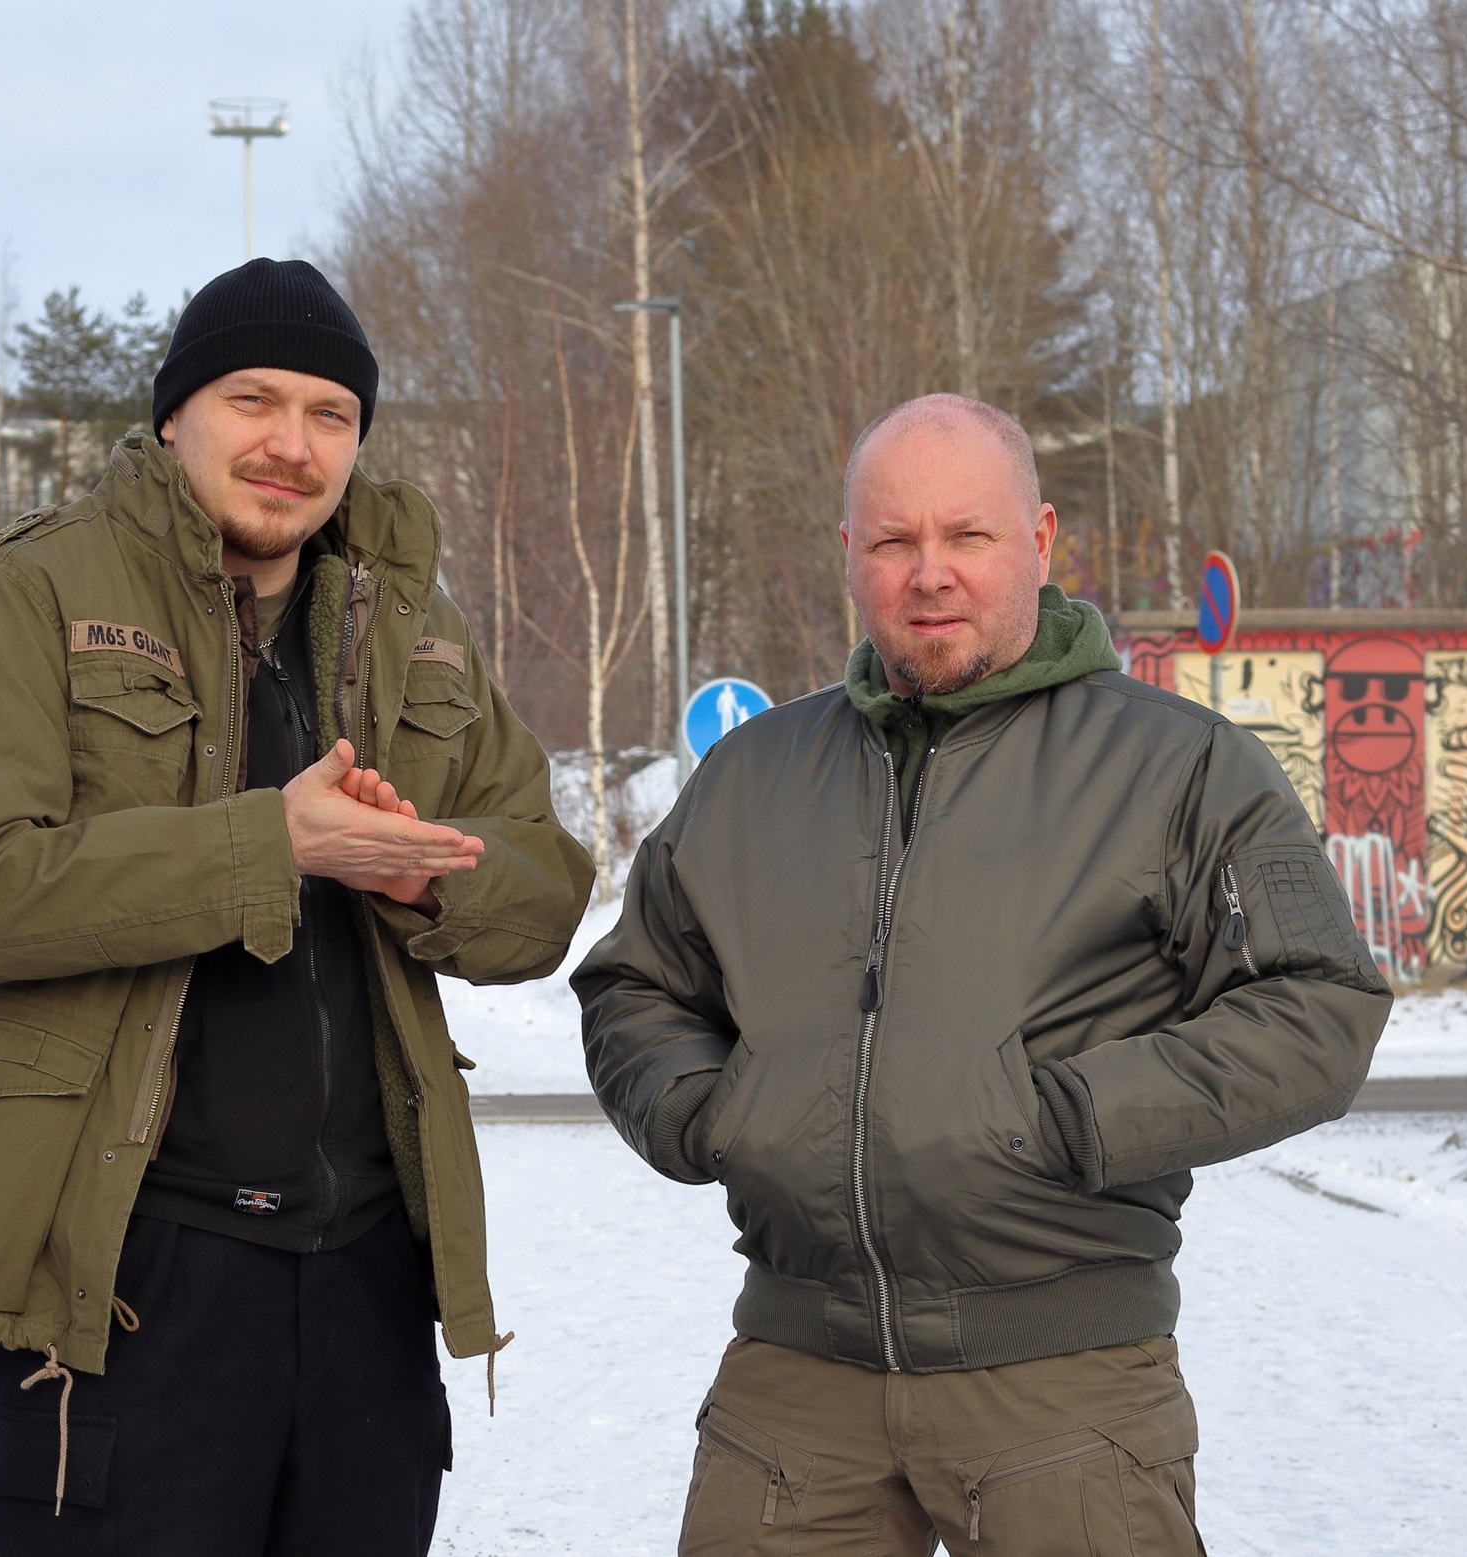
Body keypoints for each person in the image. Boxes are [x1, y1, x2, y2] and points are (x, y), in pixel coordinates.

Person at [575, 393, 1390, 1555]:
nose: (928, 574)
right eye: (893, 540)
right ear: (846, 555)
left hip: (1066, 1390)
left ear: (1041, 542)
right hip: (793, 1391)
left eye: (968, 536)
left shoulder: (1181, 766)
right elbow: (632, 986)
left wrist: (1061, 1118)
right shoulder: (752, 778)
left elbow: (1318, 1007)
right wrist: (716, 1116)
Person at [0, 258, 593, 1555]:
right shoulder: (27, 595)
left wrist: (417, 876)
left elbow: (543, 885)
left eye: (332, 413)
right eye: (254, 400)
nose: (292, 444)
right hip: (135, 1278)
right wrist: (273, 842)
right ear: (174, 416)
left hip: (369, 1281)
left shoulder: (408, 626)